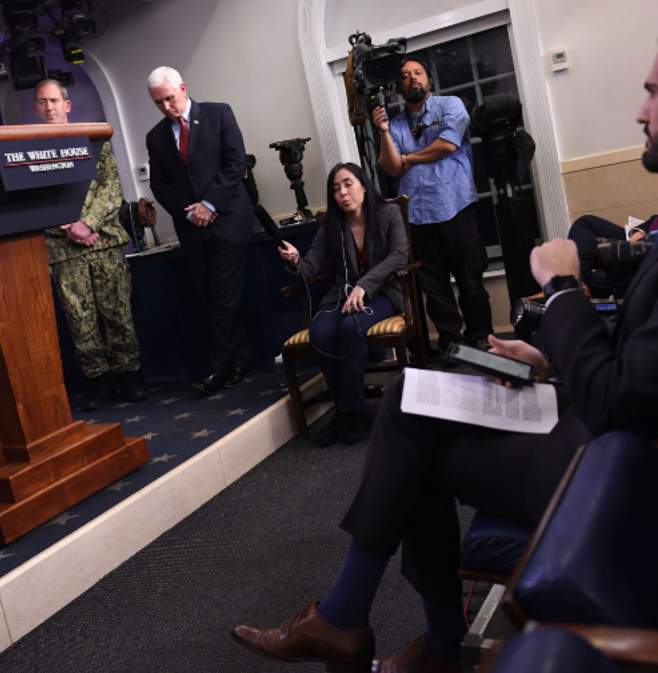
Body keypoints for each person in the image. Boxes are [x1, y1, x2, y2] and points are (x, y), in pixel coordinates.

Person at [231, 6, 658, 673]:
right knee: (410, 397)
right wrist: (548, 357)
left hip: (623, 466)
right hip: (602, 418)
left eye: (653, 90)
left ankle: (380, 630)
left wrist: (564, 289)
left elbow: (624, 402)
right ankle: (383, 630)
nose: (640, 111)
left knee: (411, 430)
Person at [34, 78, 148, 410]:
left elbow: (112, 187)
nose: (49, 107)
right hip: (64, 250)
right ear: (37, 108)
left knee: (118, 312)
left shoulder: (94, 140)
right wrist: (71, 228)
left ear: (67, 105)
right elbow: (34, 200)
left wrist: (88, 224)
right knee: (79, 320)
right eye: (42, 101)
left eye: (54, 100)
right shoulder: (27, 149)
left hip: (105, 242)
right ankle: (99, 382)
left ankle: (128, 377)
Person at [279, 164, 409, 447]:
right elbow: (310, 268)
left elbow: (400, 255)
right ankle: (350, 410)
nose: (343, 192)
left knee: (351, 327)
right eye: (336, 189)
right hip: (343, 294)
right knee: (320, 332)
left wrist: (365, 285)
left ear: (364, 185)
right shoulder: (332, 225)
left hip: (383, 293)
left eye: (348, 184)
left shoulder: (389, 213)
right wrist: (295, 261)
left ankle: (350, 410)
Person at [145, 66, 256, 394]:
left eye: (170, 98)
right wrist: (190, 210)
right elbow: (159, 185)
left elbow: (236, 163)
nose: (166, 107)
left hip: (228, 221)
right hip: (192, 228)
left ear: (182, 87)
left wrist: (209, 204)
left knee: (224, 297)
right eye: (158, 103)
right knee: (211, 299)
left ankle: (219, 369)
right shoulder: (155, 137)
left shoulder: (219, 113)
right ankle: (242, 361)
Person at [373, 58, 492, 355]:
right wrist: (384, 131)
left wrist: (408, 158)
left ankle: (481, 335)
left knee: (470, 279)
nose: (413, 78)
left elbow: (447, 145)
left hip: (456, 207)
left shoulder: (451, 105)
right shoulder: (395, 125)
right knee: (434, 286)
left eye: (418, 73)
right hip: (417, 216)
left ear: (429, 80)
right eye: (405, 76)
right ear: (398, 88)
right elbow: (391, 168)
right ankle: (451, 340)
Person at [568, 173, 658, 298]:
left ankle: (574, 287)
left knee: (595, 280)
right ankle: (576, 282)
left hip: (657, 254)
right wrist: (640, 232)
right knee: (586, 224)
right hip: (647, 237)